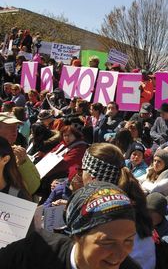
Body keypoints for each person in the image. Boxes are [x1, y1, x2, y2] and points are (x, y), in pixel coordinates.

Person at [0, 181, 141, 269]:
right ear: (77, 236)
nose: (120, 254)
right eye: (108, 242)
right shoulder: (34, 252)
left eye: (128, 240)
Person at [81, 143, 155, 269]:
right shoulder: (123, 201)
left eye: (81, 170)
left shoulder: (110, 213)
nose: (79, 175)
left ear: (92, 178)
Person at [0, 112, 40, 195]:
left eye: (16, 127)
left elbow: (33, 187)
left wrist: (22, 163)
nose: (15, 131)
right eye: (9, 127)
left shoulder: (17, 152)